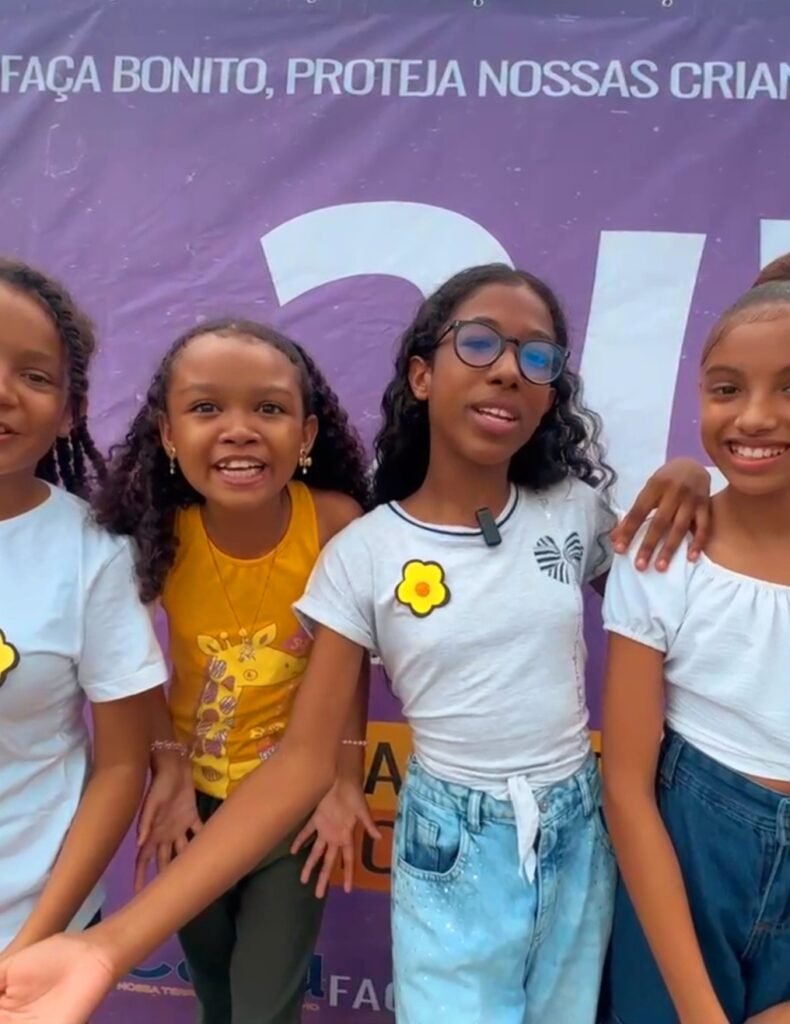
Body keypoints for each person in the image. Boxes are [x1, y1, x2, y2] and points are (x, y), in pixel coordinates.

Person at [0, 264, 711, 1024]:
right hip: (445, 841)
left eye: (537, 356)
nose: (508, 369)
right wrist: (111, 943)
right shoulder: (363, 553)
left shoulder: (577, 512)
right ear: (421, 375)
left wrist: (697, 480)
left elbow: (689, 598)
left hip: (578, 834)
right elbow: (287, 755)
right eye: (479, 344)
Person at [92, 318, 378, 1024]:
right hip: (190, 807)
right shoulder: (157, 536)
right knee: (214, 995)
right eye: (206, 407)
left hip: (294, 809)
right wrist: (168, 769)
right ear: (168, 433)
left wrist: (345, 780)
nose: (240, 430)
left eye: (269, 408)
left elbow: (349, 665)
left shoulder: (335, 523)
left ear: (306, 436)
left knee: (263, 1006)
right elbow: (132, 668)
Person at [599, 281, 790, 1024]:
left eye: (787, 387)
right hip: (682, 862)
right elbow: (627, 789)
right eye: (726, 388)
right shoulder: (664, 554)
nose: (754, 416)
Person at [0, 259, 167, 959]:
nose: (3, 392)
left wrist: (31, 946)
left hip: (29, 934)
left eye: (35, 376)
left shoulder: (93, 552)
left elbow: (122, 768)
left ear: (70, 411)